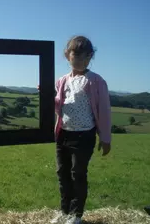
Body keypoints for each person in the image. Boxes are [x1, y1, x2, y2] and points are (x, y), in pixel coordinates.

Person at [38, 35, 112, 224]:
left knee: (78, 174)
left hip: (84, 136)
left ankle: (76, 215)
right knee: (62, 174)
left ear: (90, 58)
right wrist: (47, 95)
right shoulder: (62, 81)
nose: (81, 60)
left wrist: (105, 138)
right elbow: (60, 106)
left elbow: (103, 110)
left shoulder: (95, 81)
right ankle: (64, 212)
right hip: (63, 134)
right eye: (77, 55)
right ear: (67, 55)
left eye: (86, 57)